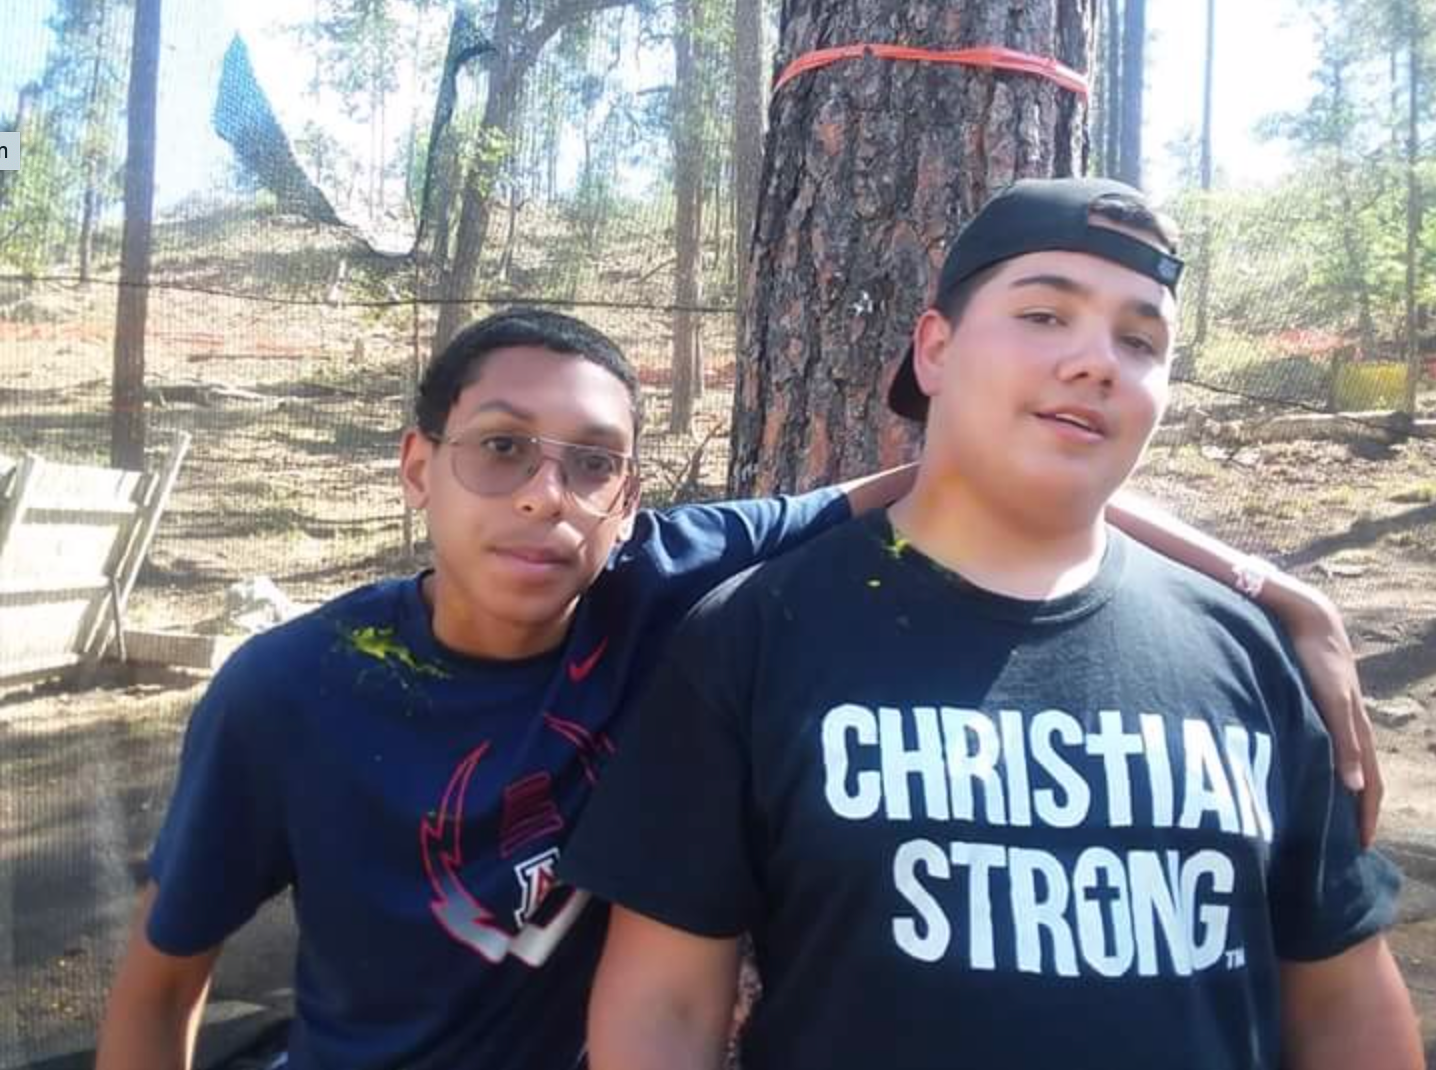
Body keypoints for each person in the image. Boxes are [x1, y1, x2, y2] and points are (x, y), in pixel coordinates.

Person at [97, 305, 1379, 1070]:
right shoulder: (292, 687)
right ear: (416, 465)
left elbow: (973, 472)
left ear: (632, 498)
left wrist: (1271, 588)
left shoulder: (670, 593)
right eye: (498, 450)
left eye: (592, 462)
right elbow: (162, 982)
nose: (548, 492)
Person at [561, 179, 1423, 1070]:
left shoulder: (1248, 656)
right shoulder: (754, 636)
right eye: (1045, 315)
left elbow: (1340, 1000)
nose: (1097, 362)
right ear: (934, 350)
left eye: (1140, 339)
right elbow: (664, 1005)